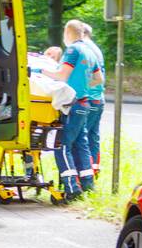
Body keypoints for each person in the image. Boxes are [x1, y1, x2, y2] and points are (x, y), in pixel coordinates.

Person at [43, 20, 101, 198]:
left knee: (62, 145)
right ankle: (87, 185)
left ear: (67, 33)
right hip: (85, 103)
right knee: (81, 144)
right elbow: (98, 79)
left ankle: (71, 188)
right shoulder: (90, 51)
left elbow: (62, 75)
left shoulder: (73, 50)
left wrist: (40, 71)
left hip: (72, 104)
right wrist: (82, 86)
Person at [80, 23, 105, 177]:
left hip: (89, 97)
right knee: (93, 137)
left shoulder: (84, 49)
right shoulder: (95, 48)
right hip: (98, 98)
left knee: (82, 139)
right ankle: (94, 169)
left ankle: (85, 175)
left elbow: (85, 75)